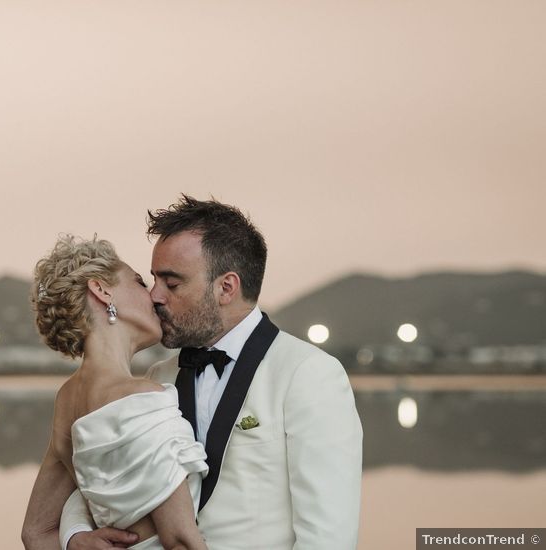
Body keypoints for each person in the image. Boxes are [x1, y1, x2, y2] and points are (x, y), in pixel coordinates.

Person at [60, 195, 363, 550]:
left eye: (171, 284)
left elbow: (328, 536)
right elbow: (91, 476)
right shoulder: (154, 380)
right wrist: (74, 536)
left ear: (226, 287)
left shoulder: (309, 374)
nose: (154, 296)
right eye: (153, 280)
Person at [21, 235, 210, 550]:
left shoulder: (67, 399)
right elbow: (180, 540)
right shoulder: (140, 397)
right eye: (138, 282)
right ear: (101, 290)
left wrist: (73, 541)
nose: (154, 296)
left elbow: (36, 533)